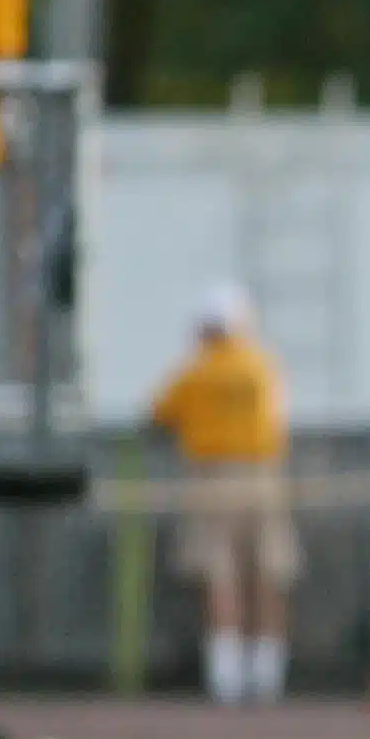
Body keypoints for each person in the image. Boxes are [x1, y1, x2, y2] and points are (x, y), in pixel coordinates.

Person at [150, 283, 299, 706]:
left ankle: (227, 677)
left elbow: (159, 415)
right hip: (263, 476)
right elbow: (278, 418)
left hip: (211, 476)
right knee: (268, 574)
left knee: (219, 575)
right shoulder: (261, 366)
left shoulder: (195, 372)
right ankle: (267, 675)